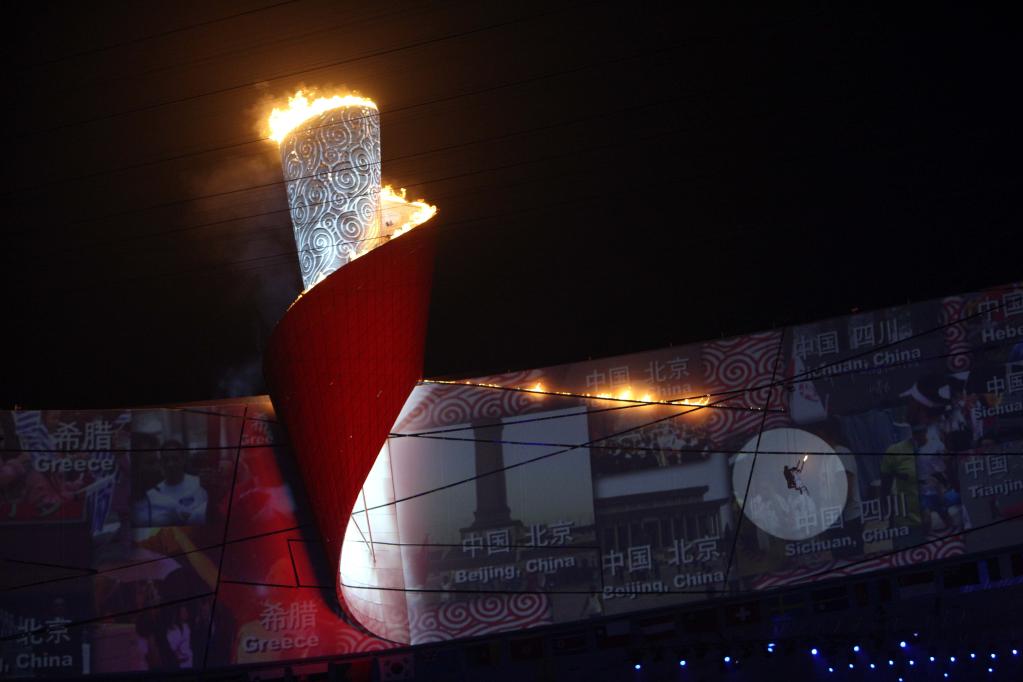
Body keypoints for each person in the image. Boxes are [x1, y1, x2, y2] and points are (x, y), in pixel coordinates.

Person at [133, 441, 207, 526]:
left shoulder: (200, 483)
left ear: (183, 460)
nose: (170, 464)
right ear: (161, 463)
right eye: (166, 460)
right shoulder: (153, 493)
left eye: (175, 459)